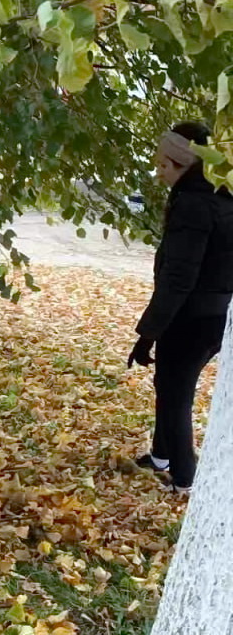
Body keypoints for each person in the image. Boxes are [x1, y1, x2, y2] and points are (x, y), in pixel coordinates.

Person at [129, 122, 233, 494]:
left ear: (183, 164)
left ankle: (185, 480)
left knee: (175, 393)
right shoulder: (221, 193)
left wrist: (147, 334)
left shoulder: (192, 202)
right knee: (168, 384)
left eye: (163, 166)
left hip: (191, 318)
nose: (160, 174)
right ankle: (161, 457)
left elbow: (179, 278)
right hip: (214, 317)